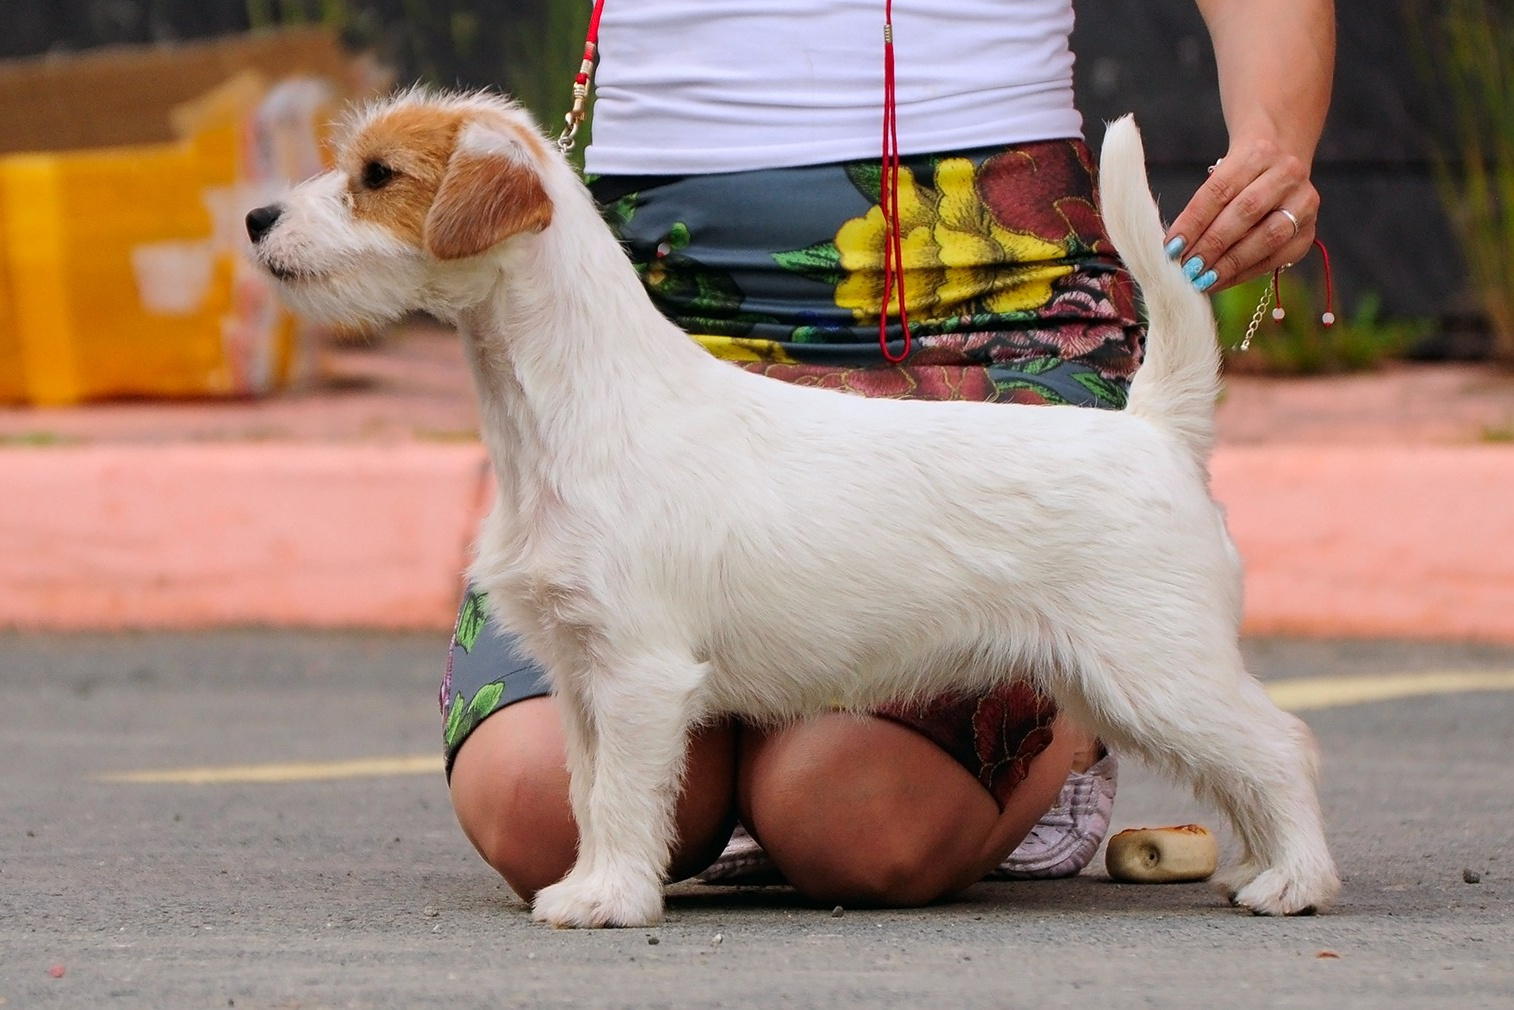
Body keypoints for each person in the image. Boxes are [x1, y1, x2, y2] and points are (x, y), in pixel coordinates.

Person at [441, 0, 1335, 907]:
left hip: (991, 281)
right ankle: (739, 763)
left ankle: (1072, 738)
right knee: (535, 806)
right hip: (663, 288)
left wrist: (1271, 139)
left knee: (860, 819)